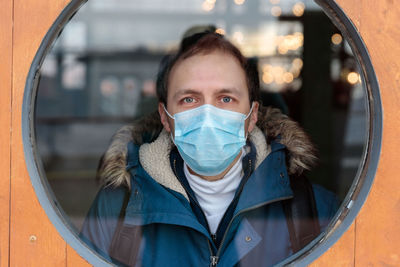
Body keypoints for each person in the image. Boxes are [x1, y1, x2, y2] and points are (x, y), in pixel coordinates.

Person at [80, 32, 338, 267]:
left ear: (252, 115)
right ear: (165, 117)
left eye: (226, 99)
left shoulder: (312, 209)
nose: (207, 115)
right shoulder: (118, 208)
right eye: (189, 99)